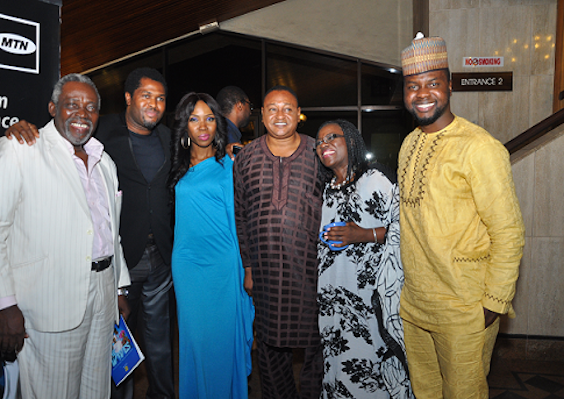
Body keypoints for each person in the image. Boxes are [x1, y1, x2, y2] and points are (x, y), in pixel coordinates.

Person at [5, 67, 174, 399]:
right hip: (122, 258)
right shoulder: (102, 130)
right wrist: (21, 127)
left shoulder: (169, 137)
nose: (153, 104)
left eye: (160, 98)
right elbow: (59, 129)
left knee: (159, 343)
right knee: (116, 344)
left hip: (161, 257)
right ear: (128, 98)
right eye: (145, 96)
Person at [0, 73, 131, 398]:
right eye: (72, 104)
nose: (82, 113)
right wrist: (5, 306)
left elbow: (109, 232)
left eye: (91, 107)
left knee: (97, 391)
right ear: (52, 108)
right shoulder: (21, 149)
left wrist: (118, 287)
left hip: (103, 296)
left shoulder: (105, 163)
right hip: (50, 302)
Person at [398, 33, 525, 399]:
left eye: (432, 83)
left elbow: (508, 231)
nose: (422, 94)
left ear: (450, 85)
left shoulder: (480, 148)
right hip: (415, 306)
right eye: (412, 86)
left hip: (464, 308)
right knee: (424, 393)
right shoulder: (409, 144)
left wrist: (494, 302)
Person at [233, 85, 324, 399]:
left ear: (298, 114)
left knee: (317, 343)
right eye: (272, 108)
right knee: (270, 345)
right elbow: (240, 215)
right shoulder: (245, 157)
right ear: (261, 115)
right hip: (265, 270)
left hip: (312, 269)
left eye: (287, 108)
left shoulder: (319, 153)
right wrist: (247, 267)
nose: (280, 115)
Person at [315, 119, 413, 399]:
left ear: (351, 140)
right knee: (336, 365)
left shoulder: (375, 179)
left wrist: (363, 234)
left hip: (369, 301)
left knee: (368, 367)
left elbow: (406, 229)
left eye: (332, 137)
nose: (324, 145)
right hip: (333, 298)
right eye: (319, 142)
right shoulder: (328, 188)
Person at [168, 92, 254, 399]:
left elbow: (241, 219)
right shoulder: (176, 166)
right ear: (185, 126)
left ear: (218, 123)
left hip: (223, 266)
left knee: (221, 342)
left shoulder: (230, 164)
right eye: (194, 119)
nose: (203, 126)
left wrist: (246, 265)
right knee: (194, 342)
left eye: (209, 118)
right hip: (188, 267)